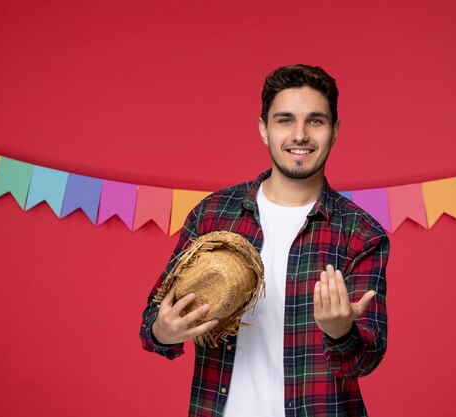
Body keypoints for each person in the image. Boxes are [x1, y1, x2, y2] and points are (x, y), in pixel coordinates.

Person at [140, 64, 389, 417]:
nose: (300, 135)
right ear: (264, 129)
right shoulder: (213, 214)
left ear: (334, 131)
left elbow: (365, 360)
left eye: (315, 121)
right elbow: (153, 321)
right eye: (285, 120)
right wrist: (164, 331)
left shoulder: (362, 234)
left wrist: (341, 332)